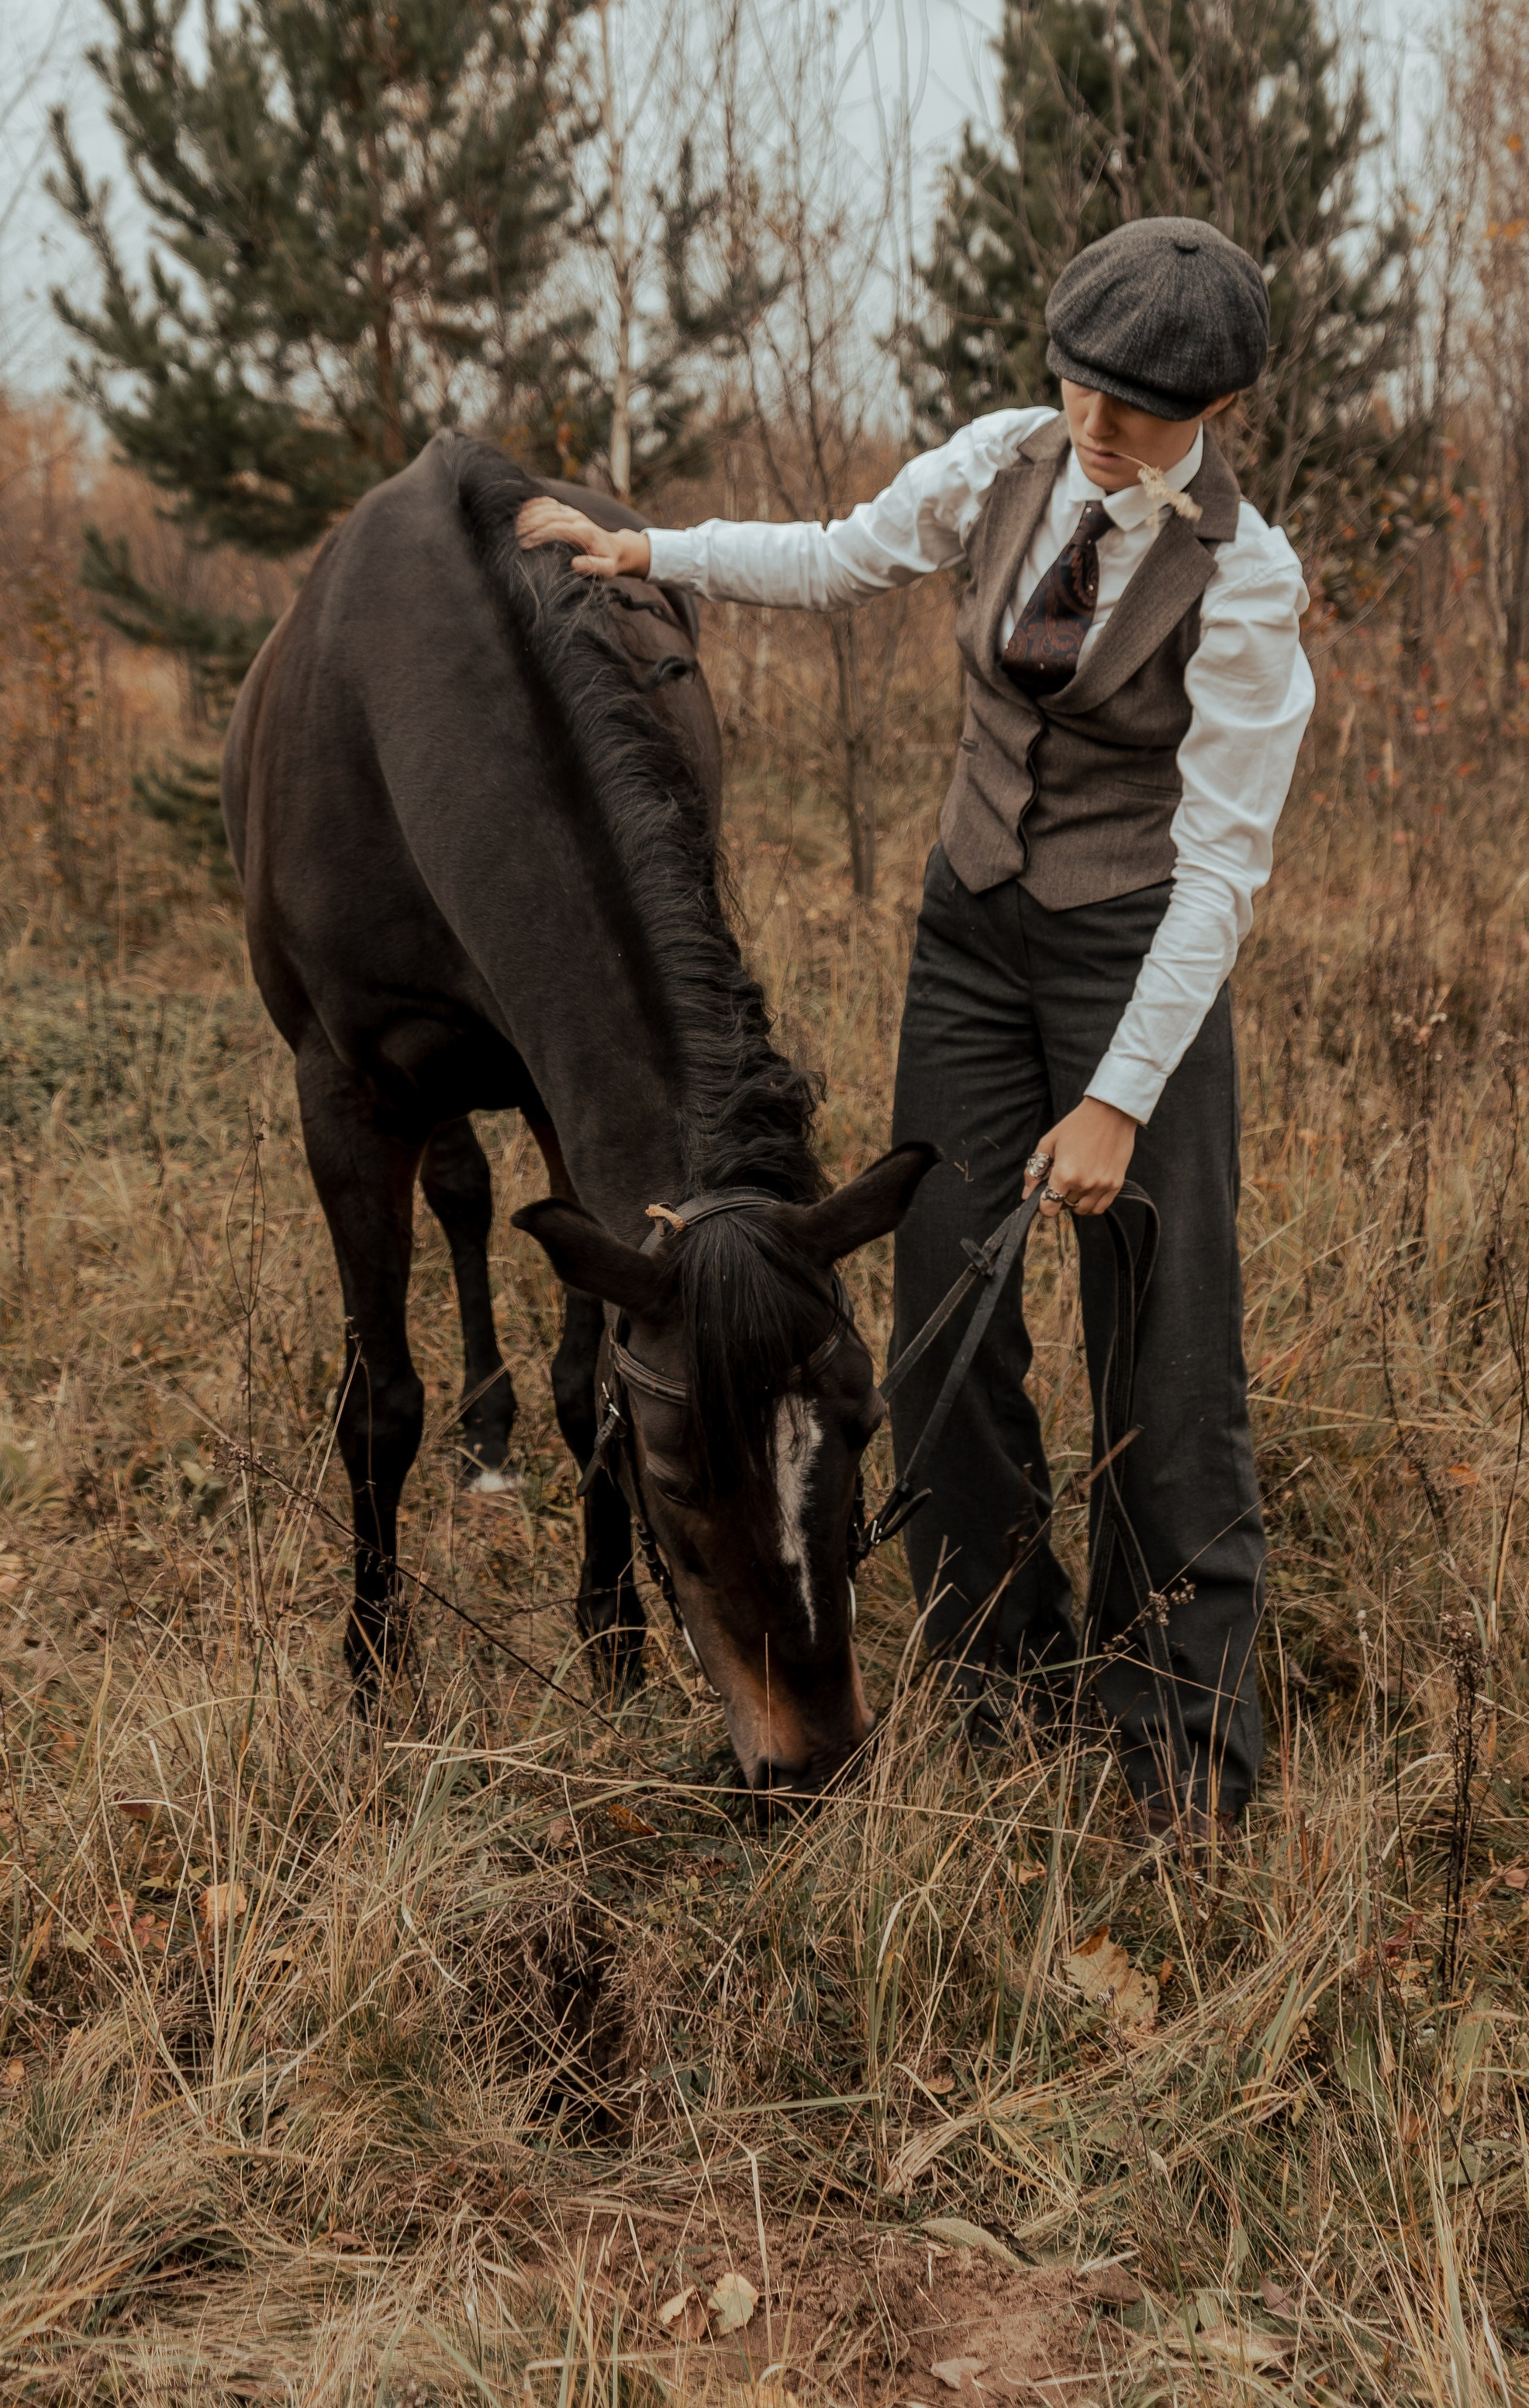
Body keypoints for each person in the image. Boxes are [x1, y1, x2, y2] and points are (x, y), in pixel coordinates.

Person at [516, 216, 1314, 1844]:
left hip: (1126, 959)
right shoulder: (999, 462)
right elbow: (839, 553)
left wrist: (1111, 1101)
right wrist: (651, 554)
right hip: (965, 943)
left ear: (1212, 406)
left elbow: (1222, 870)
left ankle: (1182, 1751)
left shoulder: (1241, 580)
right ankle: (995, 1674)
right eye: (1081, 387)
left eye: (1137, 409)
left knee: (1161, 1348)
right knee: (945, 1313)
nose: (1094, 425)